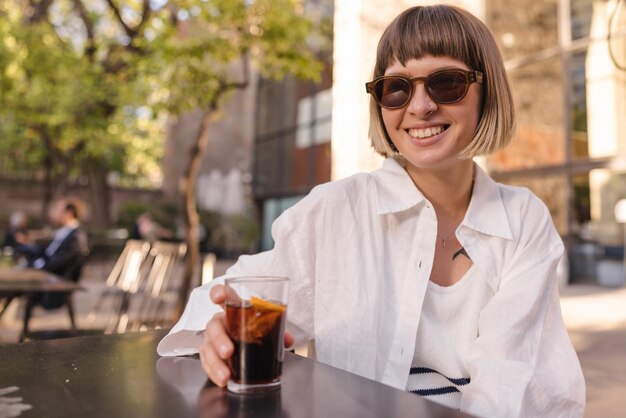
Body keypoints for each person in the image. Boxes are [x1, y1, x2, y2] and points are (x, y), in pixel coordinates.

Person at [157, 5, 585, 417]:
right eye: (396, 88)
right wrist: (219, 332)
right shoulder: (335, 212)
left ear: (486, 90)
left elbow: (509, 387)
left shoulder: (523, 220)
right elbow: (228, 299)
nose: (420, 107)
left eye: (446, 83)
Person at [16, 198, 89, 309]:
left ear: (68, 213)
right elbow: (47, 254)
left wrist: (32, 268)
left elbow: (56, 264)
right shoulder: (64, 232)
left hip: (55, 286)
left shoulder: (75, 237)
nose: (52, 214)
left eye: (56, 210)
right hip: (47, 278)